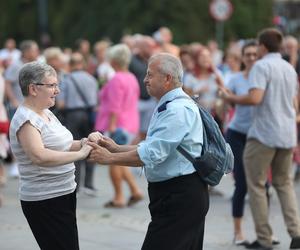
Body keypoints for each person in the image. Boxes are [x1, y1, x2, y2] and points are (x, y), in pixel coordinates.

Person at [88, 53, 209, 250]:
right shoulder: (170, 104)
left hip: (181, 196)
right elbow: (153, 147)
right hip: (175, 195)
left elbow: (152, 154)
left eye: (150, 75)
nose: (145, 80)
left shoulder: (177, 109)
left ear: (168, 78)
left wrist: (110, 158)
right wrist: (116, 148)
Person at [220, 28, 300, 250]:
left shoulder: (261, 67)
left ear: (263, 47)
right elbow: (295, 103)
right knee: (284, 184)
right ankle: (296, 232)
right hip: (287, 133)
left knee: (256, 185)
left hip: (263, 133)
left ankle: (264, 238)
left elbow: (255, 98)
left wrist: (230, 97)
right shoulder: (288, 68)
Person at [9, 61, 94, 250]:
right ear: (33, 88)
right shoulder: (26, 119)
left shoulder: (46, 112)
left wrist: (85, 142)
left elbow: (62, 145)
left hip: (64, 193)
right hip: (45, 199)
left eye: (57, 85)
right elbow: (39, 156)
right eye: (52, 85)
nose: (57, 91)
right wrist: (81, 154)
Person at [95, 44, 143, 207]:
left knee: (113, 160)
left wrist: (112, 126)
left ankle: (119, 197)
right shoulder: (131, 77)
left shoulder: (116, 79)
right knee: (121, 161)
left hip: (118, 124)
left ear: (113, 60)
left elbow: (115, 106)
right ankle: (135, 190)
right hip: (130, 122)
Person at [222, 40, 258, 246]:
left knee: (263, 185)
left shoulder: (263, 77)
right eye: (248, 54)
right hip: (237, 133)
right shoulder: (236, 78)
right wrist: (224, 97)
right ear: (243, 57)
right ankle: (238, 232)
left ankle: (263, 232)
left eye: (255, 54)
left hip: (259, 136)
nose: (251, 58)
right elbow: (226, 98)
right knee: (242, 184)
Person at [56, 52, 98, 195]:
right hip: (89, 114)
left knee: (75, 146)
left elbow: (61, 103)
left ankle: (76, 184)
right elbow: (95, 100)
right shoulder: (91, 79)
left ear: (70, 65)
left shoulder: (66, 79)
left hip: (73, 114)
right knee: (91, 145)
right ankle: (89, 184)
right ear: (83, 64)